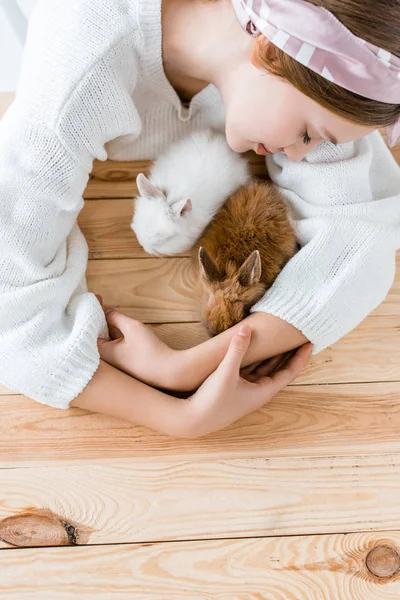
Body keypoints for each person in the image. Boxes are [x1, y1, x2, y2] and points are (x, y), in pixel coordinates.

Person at [0, 0, 399, 438]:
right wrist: (175, 416)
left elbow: (365, 239)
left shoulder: (312, 65)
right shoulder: (78, 70)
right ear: (269, 50)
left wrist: (185, 368)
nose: (304, 152)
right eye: (307, 134)